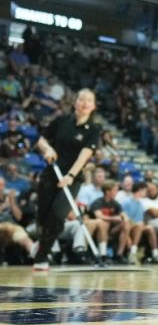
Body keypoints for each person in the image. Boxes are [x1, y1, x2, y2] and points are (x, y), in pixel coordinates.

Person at [32, 88, 100, 271]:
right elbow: (41, 140)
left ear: (93, 106)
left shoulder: (93, 130)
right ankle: (42, 244)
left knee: (57, 215)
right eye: (81, 99)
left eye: (89, 100)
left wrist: (70, 176)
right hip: (51, 174)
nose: (84, 103)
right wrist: (47, 149)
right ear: (75, 102)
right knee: (43, 216)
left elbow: (84, 156)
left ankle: (42, 256)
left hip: (72, 179)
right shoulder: (61, 121)